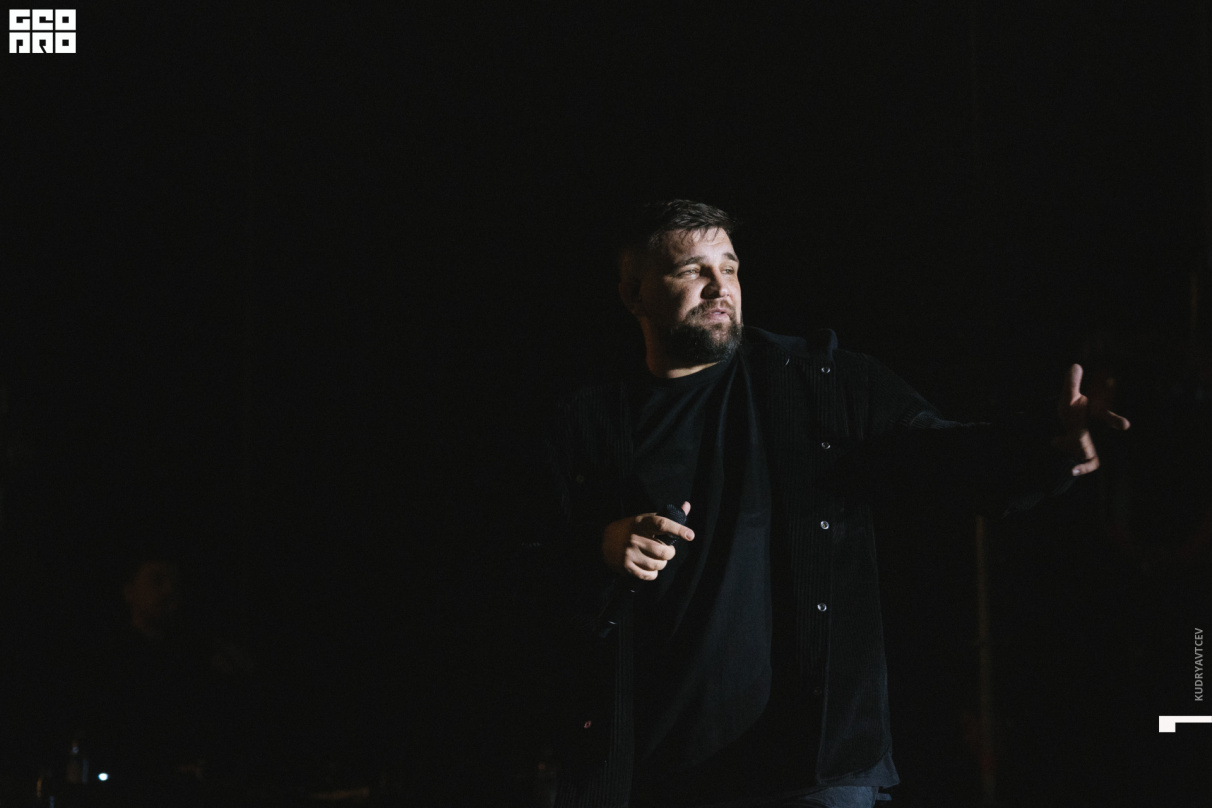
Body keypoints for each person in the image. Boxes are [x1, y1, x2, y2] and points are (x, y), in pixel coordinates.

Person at [527, 200, 1129, 808]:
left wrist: (1048, 448)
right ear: (634, 295)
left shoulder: (819, 382)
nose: (719, 287)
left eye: (729, 268)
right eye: (691, 271)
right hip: (655, 770)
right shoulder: (590, 422)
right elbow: (520, 570)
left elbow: (942, 457)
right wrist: (599, 546)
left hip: (810, 768)